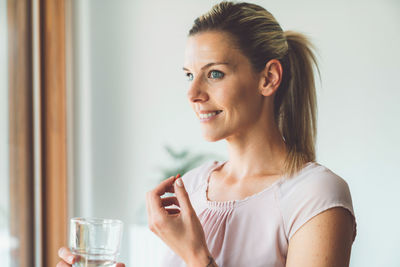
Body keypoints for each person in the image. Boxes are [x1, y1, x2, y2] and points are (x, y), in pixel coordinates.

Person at [58, 1, 357, 266]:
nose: (192, 93)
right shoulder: (192, 186)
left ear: (268, 78)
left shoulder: (314, 196)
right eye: (189, 75)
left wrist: (197, 257)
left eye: (214, 73)